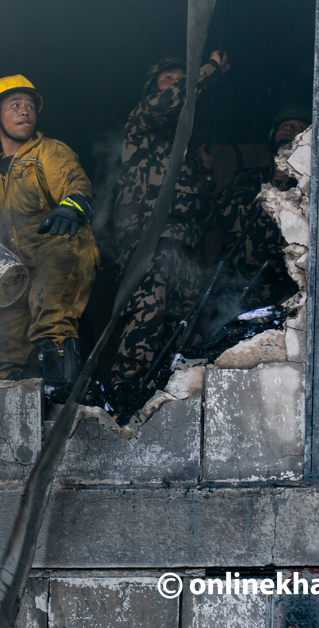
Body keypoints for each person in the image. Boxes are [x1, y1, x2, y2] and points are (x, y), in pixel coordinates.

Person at [107, 52, 228, 389]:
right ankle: (124, 394)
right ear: (153, 87)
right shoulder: (142, 123)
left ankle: (177, 399)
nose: (177, 83)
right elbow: (172, 102)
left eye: (181, 78)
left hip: (186, 251)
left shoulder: (189, 153)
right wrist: (208, 70)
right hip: (148, 243)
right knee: (148, 314)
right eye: (168, 79)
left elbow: (209, 217)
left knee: (186, 330)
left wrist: (206, 174)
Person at [0, 75, 99, 402]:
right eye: (15, 105)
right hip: (19, 264)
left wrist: (72, 206)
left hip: (61, 248)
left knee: (50, 311)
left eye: (30, 105)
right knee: (0, 338)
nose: (25, 111)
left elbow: (76, 184)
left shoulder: (49, 151)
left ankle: (62, 397)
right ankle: (1, 405)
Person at [204, 106, 310, 309]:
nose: (289, 129)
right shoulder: (244, 179)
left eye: (299, 127)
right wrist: (205, 173)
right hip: (231, 292)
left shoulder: (314, 188)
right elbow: (209, 220)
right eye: (284, 126)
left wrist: (286, 192)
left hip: (282, 294)